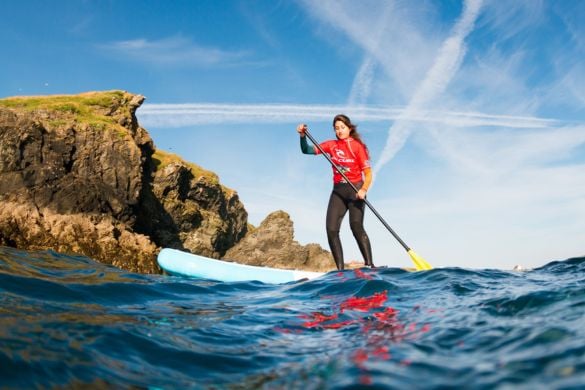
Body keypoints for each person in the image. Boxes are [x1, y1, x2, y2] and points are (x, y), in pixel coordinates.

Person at [296, 114, 374, 270]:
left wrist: (364, 189)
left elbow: (368, 173)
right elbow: (306, 150)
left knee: (356, 226)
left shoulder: (357, 146)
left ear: (349, 128)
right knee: (331, 229)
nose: (339, 131)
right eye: (336, 128)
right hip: (338, 191)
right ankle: (340, 271)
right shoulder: (331, 145)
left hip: (355, 190)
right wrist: (303, 136)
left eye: (342, 127)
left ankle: (370, 265)